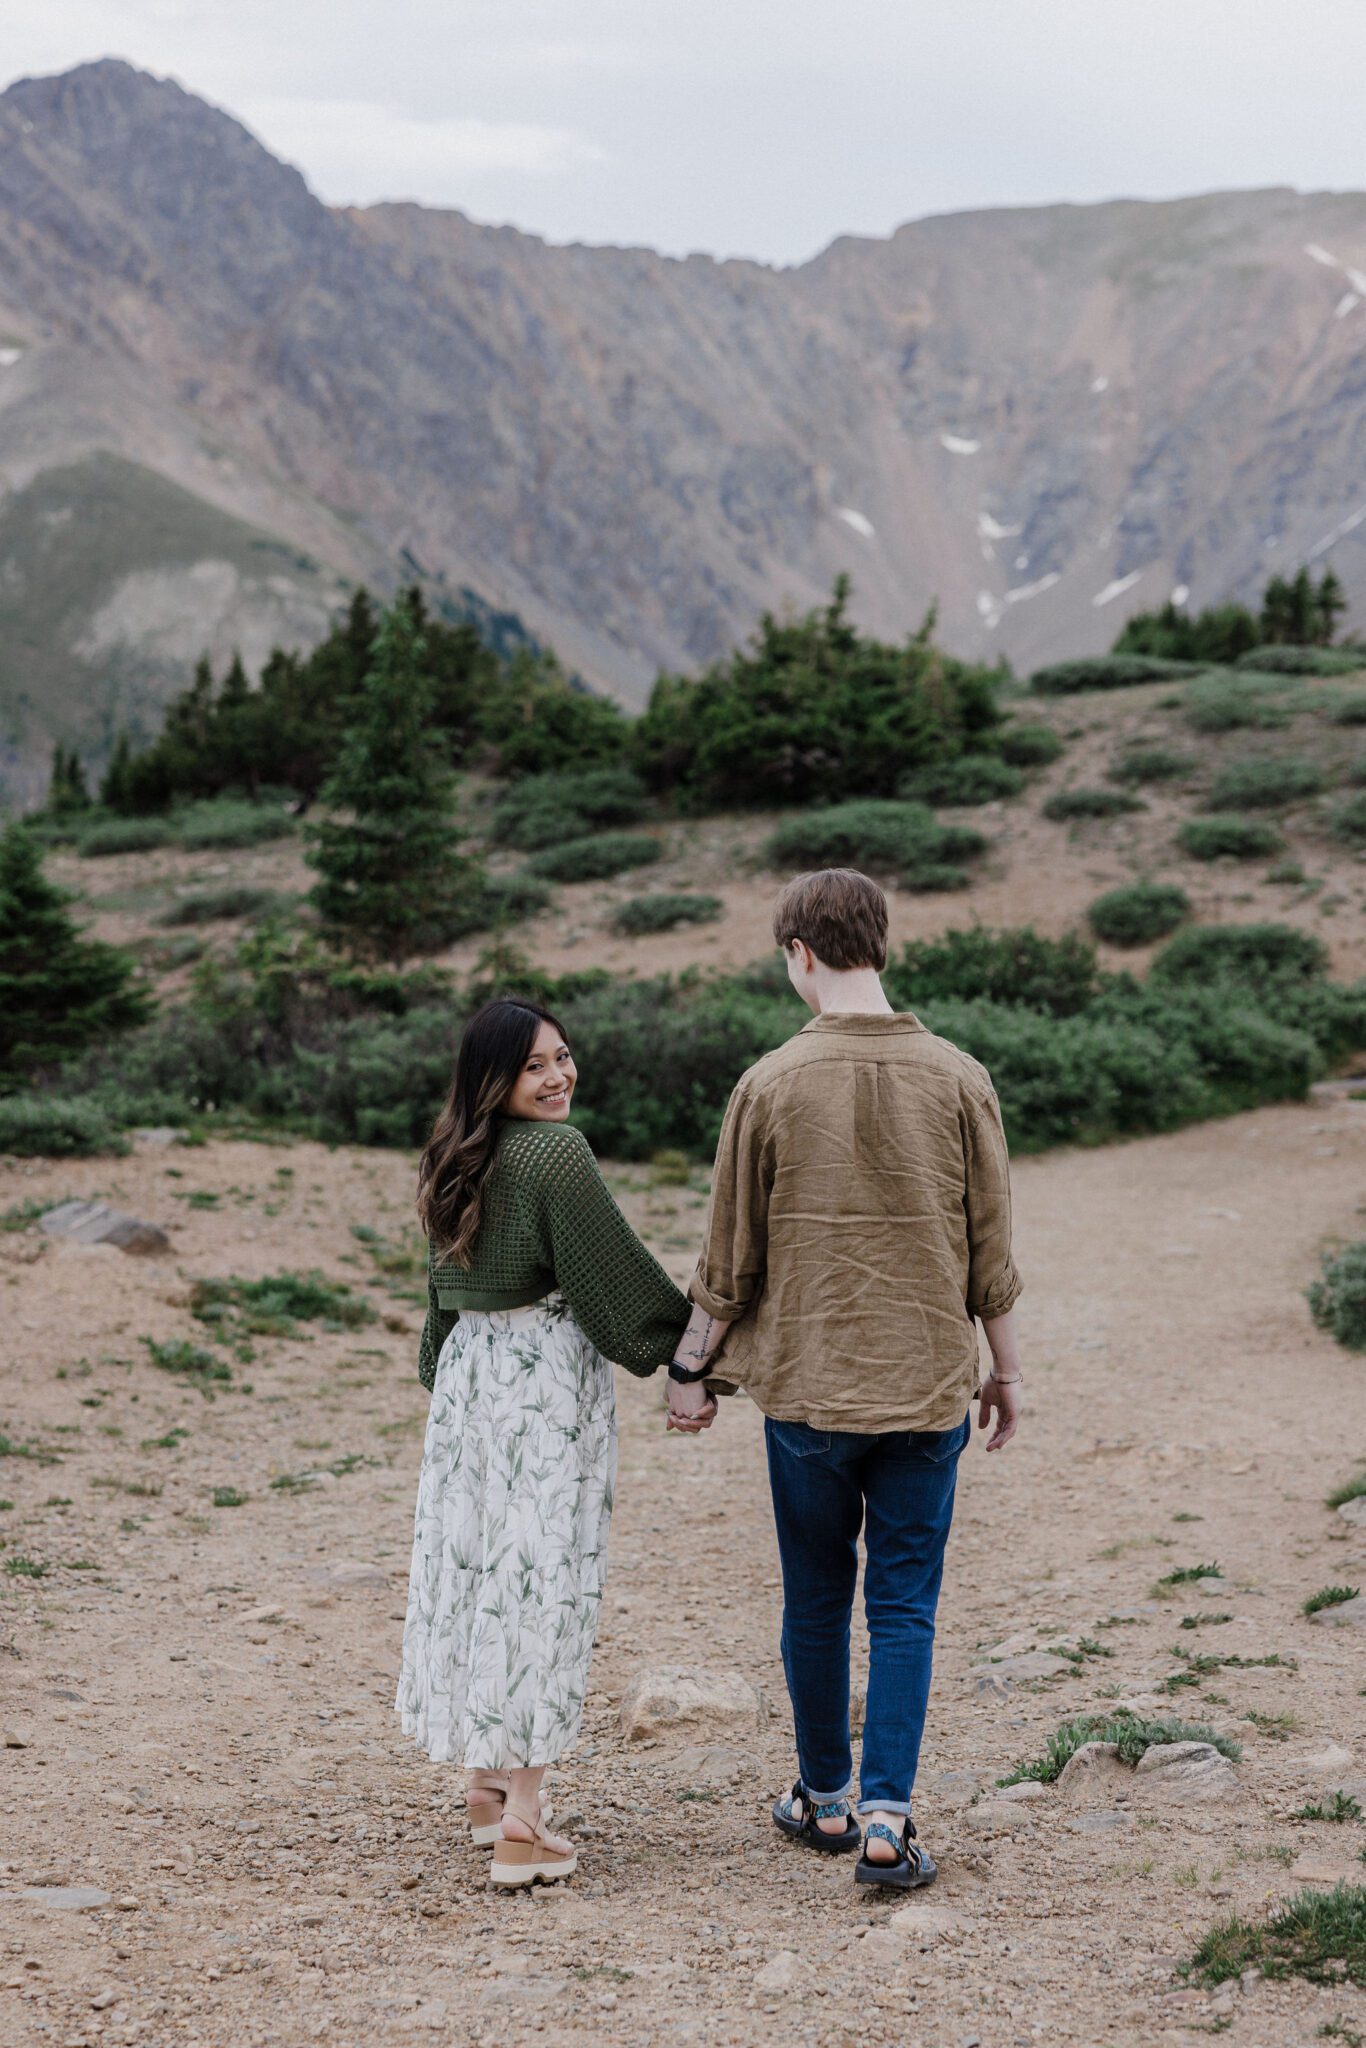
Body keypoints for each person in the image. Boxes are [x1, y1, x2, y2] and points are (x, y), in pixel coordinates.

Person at [667, 868, 1024, 1891]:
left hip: (809, 1394)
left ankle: (822, 1798)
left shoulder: (768, 1082)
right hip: (925, 1391)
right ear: (880, 943)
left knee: (817, 1597)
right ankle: (885, 1818)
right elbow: (988, 1251)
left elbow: (727, 1261)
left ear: (799, 954)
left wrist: (691, 1369)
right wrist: (1006, 1372)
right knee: (903, 1604)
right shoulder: (959, 1075)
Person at [396, 996, 698, 1888]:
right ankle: (526, 1822)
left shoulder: (454, 1152)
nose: (559, 1076)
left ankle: (484, 1786)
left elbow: (441, 1298)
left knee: (479, 1572)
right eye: (535, 1066)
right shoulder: (555, 1154)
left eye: (563, 1057)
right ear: (494, 1076)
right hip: (541, 1388)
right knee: (545, 1581)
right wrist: (694, 1352)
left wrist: (448, 1375)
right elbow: (613, 1275)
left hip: (469, 1387)